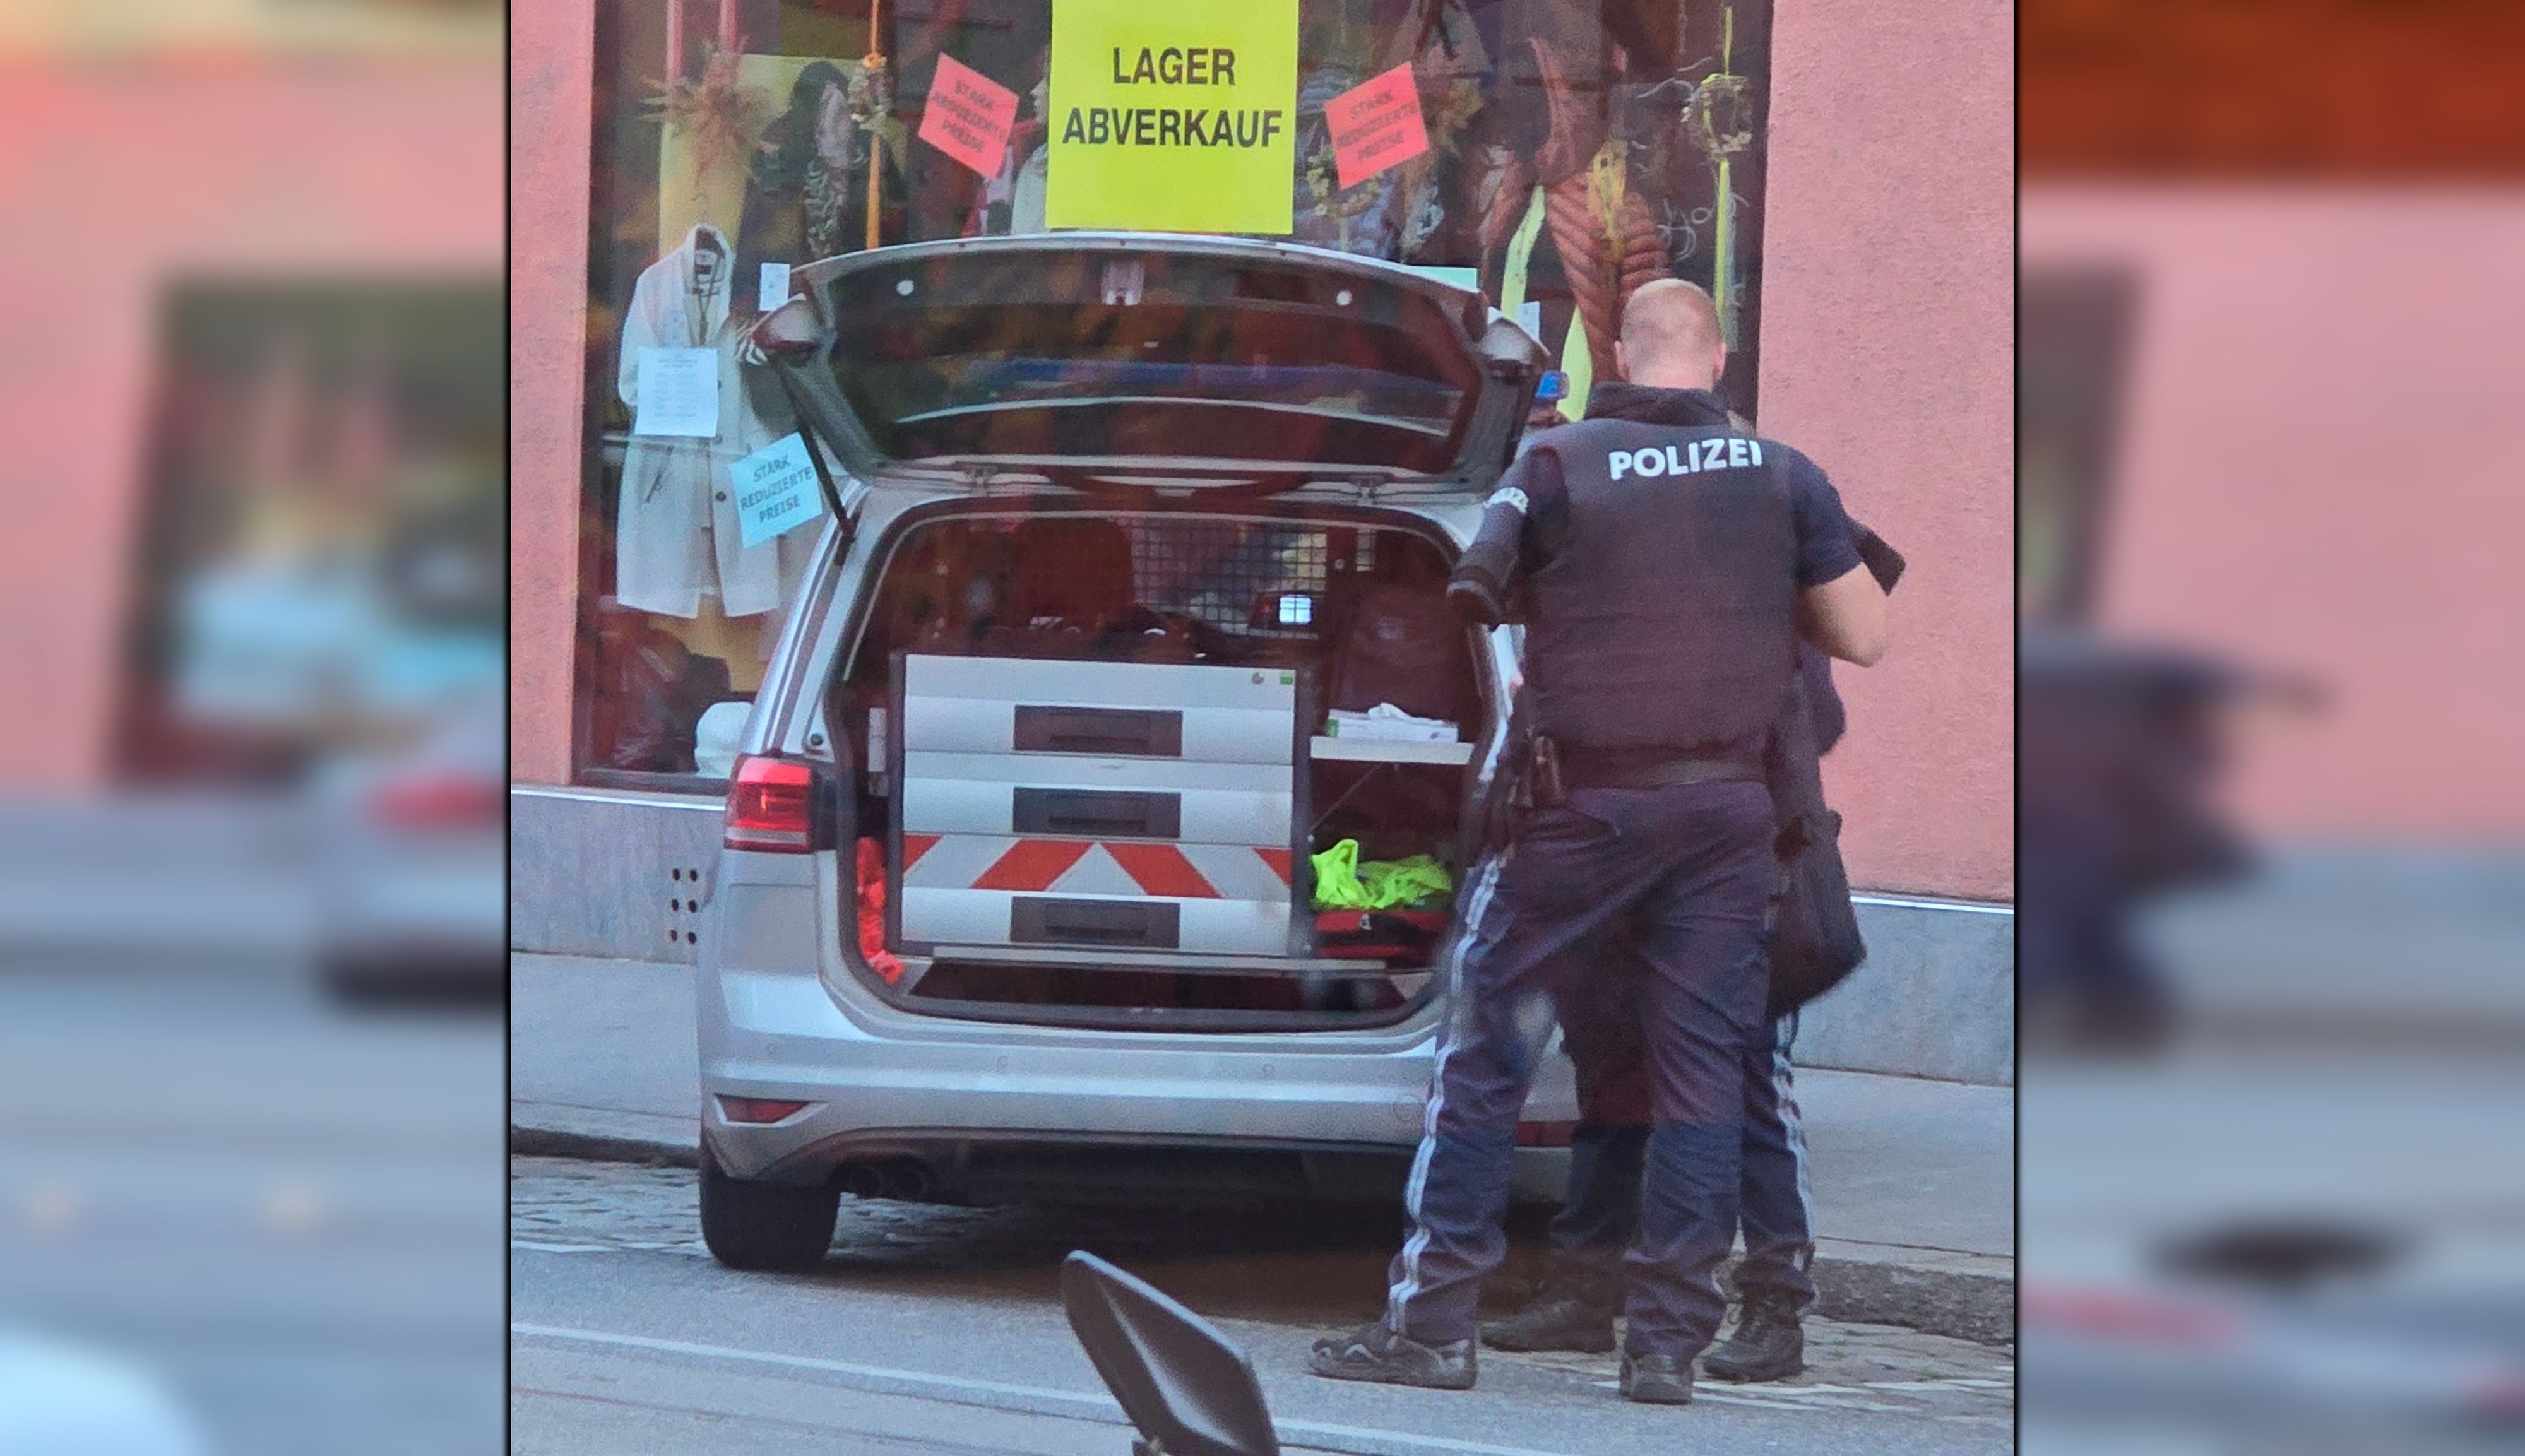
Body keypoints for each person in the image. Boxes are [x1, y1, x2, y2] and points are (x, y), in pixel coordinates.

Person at [1308, 279, 1888, 1404]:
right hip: (1725, 822)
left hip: (1576, 818)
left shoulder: (1560, 465)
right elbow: (1864, 637)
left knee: (1486, 1056)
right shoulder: (1785, 475)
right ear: (1718, 359)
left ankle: (1434, 1326)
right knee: (1703, 1073)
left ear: (1622, 352)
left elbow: (1484, 590)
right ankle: (1666, 1344)